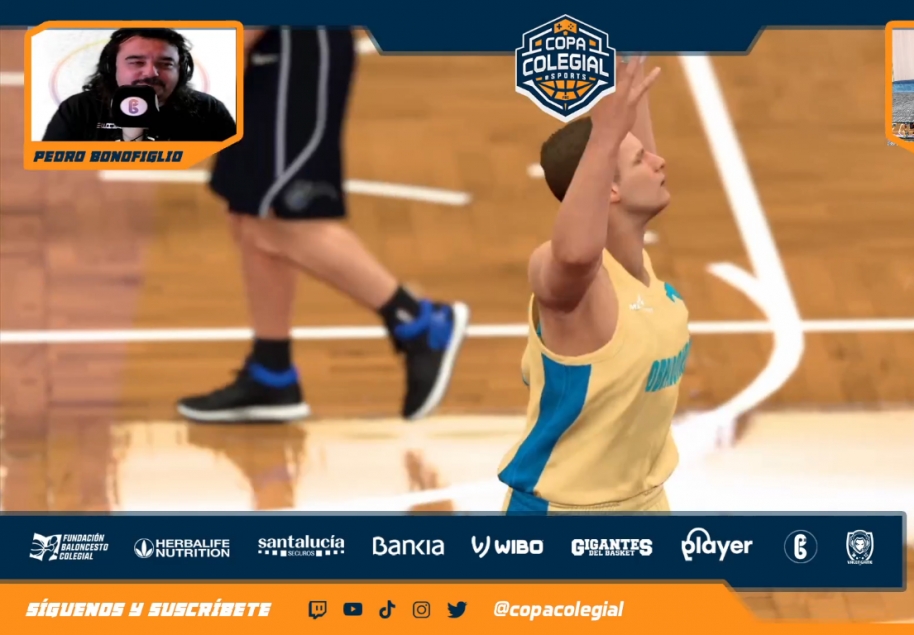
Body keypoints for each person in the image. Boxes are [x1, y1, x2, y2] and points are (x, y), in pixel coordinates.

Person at [177, 28, 469, 423]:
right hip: (269, 49)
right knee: (247, 213)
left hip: (296, 43)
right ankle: (272, 372)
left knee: (280, 220)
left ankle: (419, 323)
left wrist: (230, 43)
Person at [497, 56, 688, 514]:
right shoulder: (573, 285)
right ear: (611, 190)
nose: (659, 161)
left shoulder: (636, 265)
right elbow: (575, 255)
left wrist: (628, 54)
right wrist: (604, 137)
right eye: (641, 160)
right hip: (563, 517)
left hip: (647, 505)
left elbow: (629, 116)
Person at [42, 28, 235, 142]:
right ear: (112, 68)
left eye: (166, 64)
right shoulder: (78, 109)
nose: (151, 73)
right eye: (136, 62)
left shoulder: (209, 111)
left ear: (181, 71)